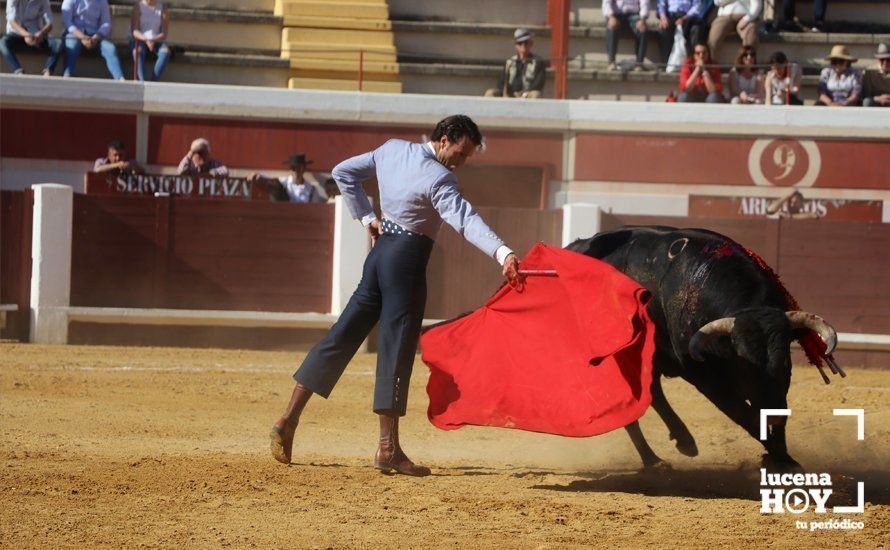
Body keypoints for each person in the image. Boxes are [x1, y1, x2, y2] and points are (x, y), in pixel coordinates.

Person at [269, 115, 521, 477]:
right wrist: (502, 253)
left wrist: (366, 218)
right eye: (461, 153)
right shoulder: (440, 178)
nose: (461, 162)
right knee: (396, 346)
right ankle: (387, 448)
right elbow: (465, 221)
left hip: (379, 255)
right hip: (406, 262)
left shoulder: (391, 150)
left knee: (341, 336)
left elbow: (343, 172)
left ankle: (287, 420)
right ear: (445, 138)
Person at [61, 0, 125, 80]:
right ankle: (66, 75)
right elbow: (67, 22)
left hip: (95, 35)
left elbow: (106, 23)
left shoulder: (102, 2)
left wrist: (95, 37)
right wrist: (82, 37)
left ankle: (120, 78)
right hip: (75, 34)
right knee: (71, 45)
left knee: (110, 48)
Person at [0, 0, 63, 76]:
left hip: (36, 34)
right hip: (16, 33)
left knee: (58, 43)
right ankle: (18, 71)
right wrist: (26, 35)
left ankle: (48, 72)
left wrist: (42, 33)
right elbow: (12, 21)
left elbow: (50, 23)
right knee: (3, 42)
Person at [484, 28, 546, 98]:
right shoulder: (510, 62)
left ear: (531, 43)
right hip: (510, 95)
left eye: (525, 42)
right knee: (490, 93)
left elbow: (539, 84)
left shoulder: (538, 62)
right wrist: (505, 94)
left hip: (527, 95)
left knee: (536, 94)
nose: (523, 45)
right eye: (520, 43)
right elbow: (501, 83)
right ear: (516, 46)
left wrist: (525, 94)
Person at [248, 153, 325, 203]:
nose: (296, 171)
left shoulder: (311, 189)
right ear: (290, 169)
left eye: (299, 168)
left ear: (304, 169)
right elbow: (269, 179)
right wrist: (257, 175)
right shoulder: (283, 182)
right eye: (293, 168)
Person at [602, 0, 650, 71]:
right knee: (611, 26)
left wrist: (642, 19)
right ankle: (611, 62)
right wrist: (611, 17)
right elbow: (606, 2)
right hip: (616, 15)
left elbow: (645, 2)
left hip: (635, 15)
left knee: (643, 29)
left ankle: (639, 64)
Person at [657, 0, 705, 68]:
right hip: (670, 16)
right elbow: (661, 4)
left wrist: (684, 18)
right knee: (663, 30)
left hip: (688, 17)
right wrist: (663, 17)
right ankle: (666, 64)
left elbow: (697, 6)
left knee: (696, 30)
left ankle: (692, 63)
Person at [130, 0, 170, 82]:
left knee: (165, 52)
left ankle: (154, 81)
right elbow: (134, 31)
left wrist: (153, 40)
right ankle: (142, 81)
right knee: (137, 52)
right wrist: (146, 40)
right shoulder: (138, 6)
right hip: (140, 38)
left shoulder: (163, 8)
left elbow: (164, 33)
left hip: (156, 39)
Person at [862, 43, 890, 107]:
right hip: (877, 102)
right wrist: (879, 99)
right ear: (878, 59)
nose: (885, 63)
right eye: (882, 59)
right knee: (867, 102)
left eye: (888, 59)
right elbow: (866, 95)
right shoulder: (869, 72)